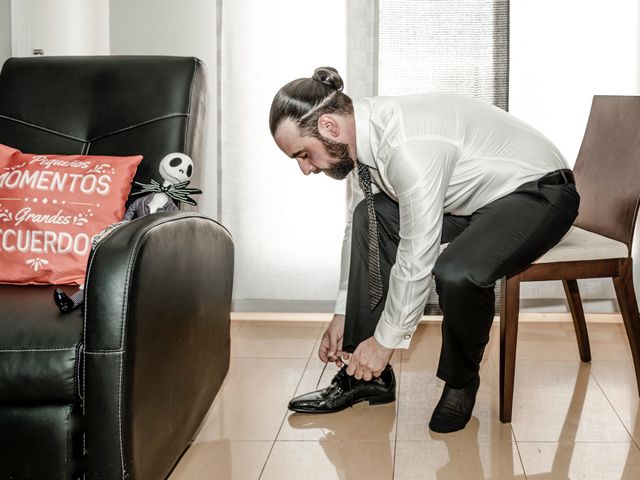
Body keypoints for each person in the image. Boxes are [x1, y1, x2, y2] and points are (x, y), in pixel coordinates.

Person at [269, 67, 579, 433]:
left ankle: (461, 381)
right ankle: (367, 374)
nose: (305, 169)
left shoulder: (407, 147)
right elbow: (361, 224)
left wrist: (386, 341)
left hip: (538, 192)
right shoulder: (361, 138)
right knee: (370, 217)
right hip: (474, 201)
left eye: (303, 155)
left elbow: (418, 253)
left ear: (329, 127)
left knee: (456, 271)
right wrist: (342, 312)